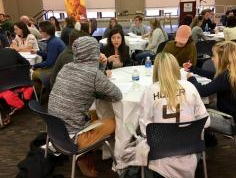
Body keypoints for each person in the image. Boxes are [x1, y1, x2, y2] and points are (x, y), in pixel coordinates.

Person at [48, 36, 122, 177]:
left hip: (55, 130)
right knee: (116, 121)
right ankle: (85, 155)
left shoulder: (67, 67)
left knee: (95, 111)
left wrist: (99, 66)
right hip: (73, 138)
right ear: (94, 52)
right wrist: (101, 65)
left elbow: (91, 87)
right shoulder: (92, 74)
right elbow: (117, 95)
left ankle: (87, 154)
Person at [139, 52, 210, 178]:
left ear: (156, 70)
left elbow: (145, 130)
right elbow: (206, 121)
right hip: (189, 149)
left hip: (160, 154)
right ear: (176, 67)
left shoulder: (150, 91)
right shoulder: (190, 86)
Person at [184, 41, 236, 135]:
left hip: (230, 122)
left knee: (194, 113)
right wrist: (193, 69)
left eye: (214, 56)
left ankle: (205, 141)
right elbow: (214, 76)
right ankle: (209, 138)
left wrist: (191, 78)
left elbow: (202, 91)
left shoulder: (226, 77)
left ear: (222, 58)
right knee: (203, 108)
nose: (212, 59)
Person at [31, 21, 65, 90]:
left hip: (58, 69)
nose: (39, 33)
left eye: (40, 31)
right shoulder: (54, 39)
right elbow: (49, 54)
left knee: (33, 74)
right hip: (59, 67)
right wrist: (37, 52)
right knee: (35, 72)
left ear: (45, 32)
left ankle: (40, 94)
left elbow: (49, 62)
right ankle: (42, 92)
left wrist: (35, 65)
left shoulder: (53, 43)